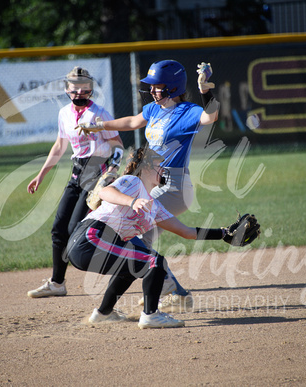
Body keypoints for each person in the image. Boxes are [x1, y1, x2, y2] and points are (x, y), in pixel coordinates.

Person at [77, 59, 220, 311]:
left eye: (158, 85)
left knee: (137, 237)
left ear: (173, 87)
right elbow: (132, 122)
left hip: (174, 186)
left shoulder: (186, 111)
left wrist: (206, 92)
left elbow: (210, 117)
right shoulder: (153, 110)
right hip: (153, 186)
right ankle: (169, 290)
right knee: (141, 239)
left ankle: (171, 289)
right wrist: (99, 126)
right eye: (151, 86)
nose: (152, 90)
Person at [65, 147, 234, 329]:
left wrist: (224, 233)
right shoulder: (133, 182)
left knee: (132, 267)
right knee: (155, 262)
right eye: (158, 166)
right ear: (145, 168)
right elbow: (104, 192)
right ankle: (151, 315)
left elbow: (186, 232)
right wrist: (132, 201)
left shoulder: (155, 206)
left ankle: (103, 313)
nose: (163, 170)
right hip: (90, 239)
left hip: (94, 244)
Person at [26, 66, 124, 298]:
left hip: (97, 173)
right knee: (58, 229)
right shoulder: (64, 114)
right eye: (74, 88)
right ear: (67, 89)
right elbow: (60, 146)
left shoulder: (99, 114)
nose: (79, 93)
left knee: (74, 230)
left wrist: (112, 170)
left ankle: (122, 266)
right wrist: (41, 175)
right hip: (76, 174)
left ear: (90, 89)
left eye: (84, 88)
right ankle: (57, 283)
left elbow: (118, 145)